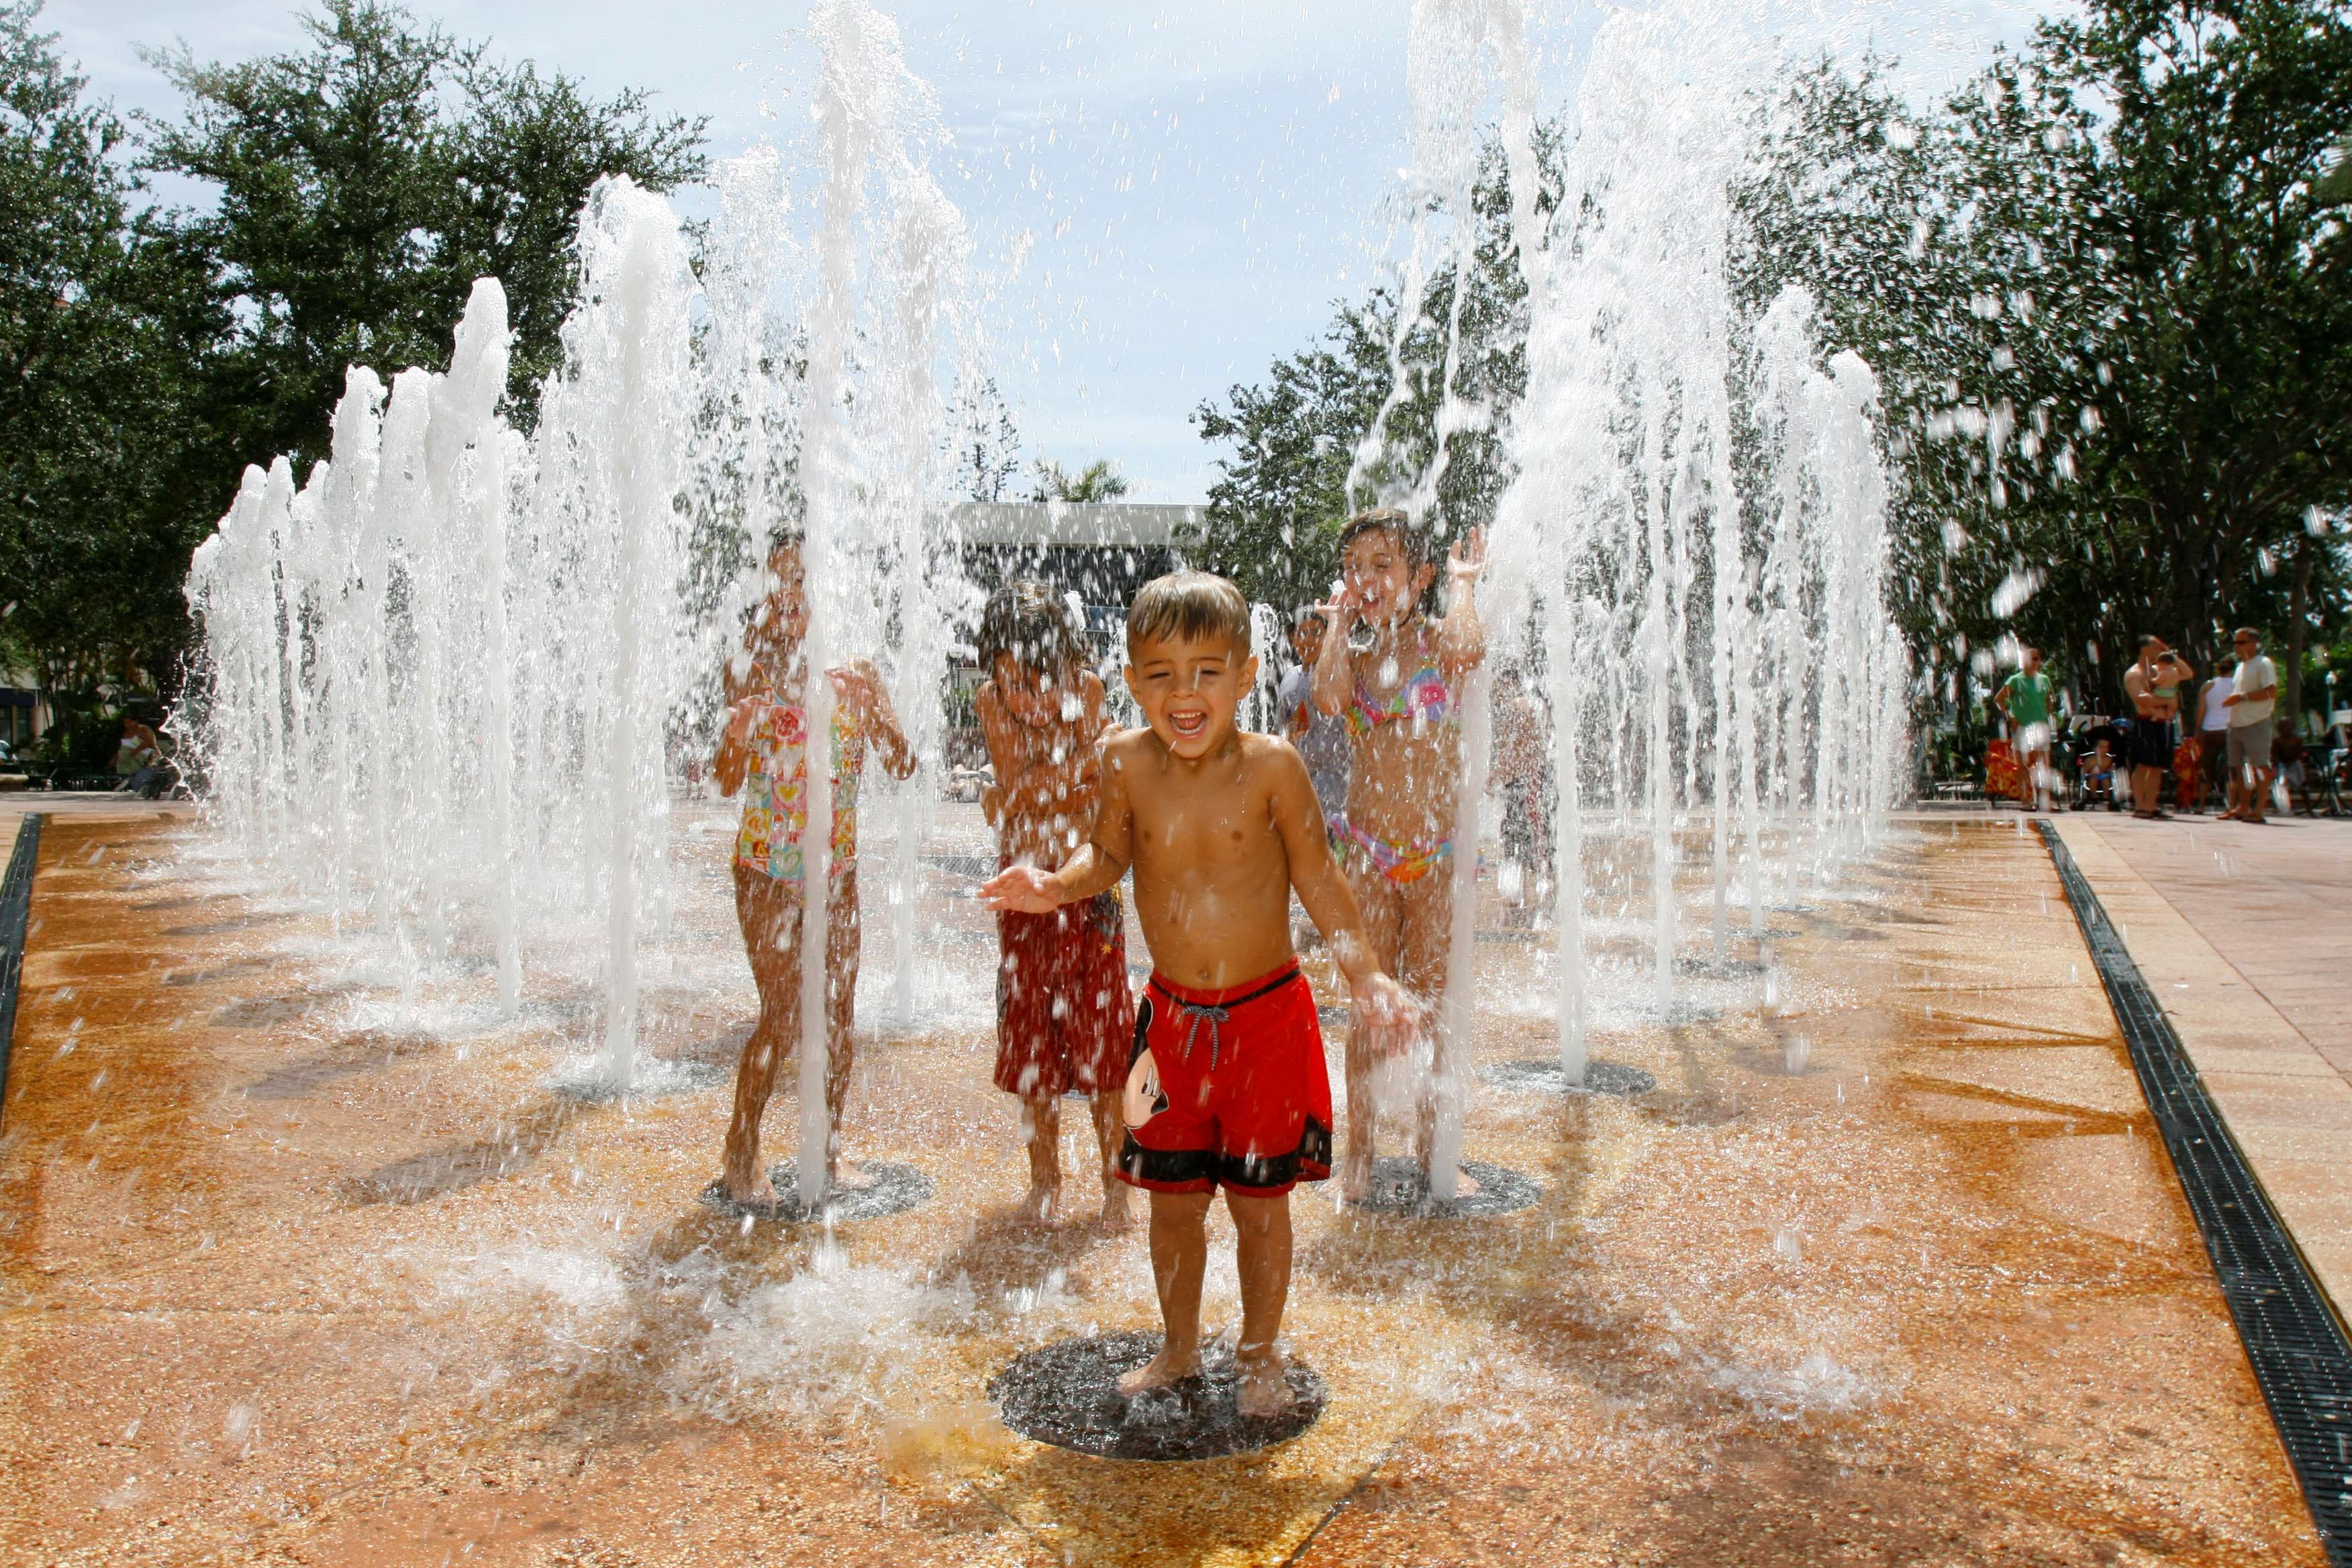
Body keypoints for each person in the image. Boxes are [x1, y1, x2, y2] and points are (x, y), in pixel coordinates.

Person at [981, 570, 1416, 1419]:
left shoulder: (1273, 767)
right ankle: (1178, 1347)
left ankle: (1259, 1354)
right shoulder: (1123, 761)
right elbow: (1108, 856)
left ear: (1246, 674)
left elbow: (1320, 878)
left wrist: (1364, 971)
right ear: (1132, 678)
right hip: (1172, 1022)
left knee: (1260, 1208)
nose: (1184, 693)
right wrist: (1054, 884)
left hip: (1266, 1020)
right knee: (1172, 1205)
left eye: (1206, 671)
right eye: (1161, 673)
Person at [714, 539, 918, 1206]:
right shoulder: (749, 667)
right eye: (780, 580)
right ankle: (742, 1149)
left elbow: (903, 763)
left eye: (803, 578)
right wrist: (738, 734)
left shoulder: (856, 669)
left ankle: (828, 1148)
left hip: (837, 872)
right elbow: (724, 781)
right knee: (781, 1016)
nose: (791, 591)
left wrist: (874, 711)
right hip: (766, 869)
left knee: (836, 1016)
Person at [1310, 508, 1486, 1199]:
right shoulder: (1354, 662)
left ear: (1421, 576)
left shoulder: (1440, 644)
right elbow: (1328, 699)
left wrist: (1464, 584)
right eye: (1355, 567)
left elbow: (1470, 649)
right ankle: (1358, 1154)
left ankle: (1432, 1150)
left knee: (1435, 1004)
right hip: (1368, 856)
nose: (1367, 578)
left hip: (1436, 859)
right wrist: (1336, 625)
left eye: (1383, 564)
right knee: (1368, 1006)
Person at [974, 581, 1134, 1228]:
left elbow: (1031, 796)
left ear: (1068, 664)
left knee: (1105, 1040)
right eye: (1015, 685)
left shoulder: (1088, 689)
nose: (1031, 702)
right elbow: (1018, 785)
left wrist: (1017, 796)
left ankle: (1116, 1185)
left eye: (1045, 684)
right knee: (1031, 1035)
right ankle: (1045, 1180)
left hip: (1088, 887)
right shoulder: (991, 702)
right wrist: (1084, 766)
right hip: (1022, 893)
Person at [1275, 607, 1351, 826]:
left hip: (1338, 781)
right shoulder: (1290, 678)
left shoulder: (1341, 677)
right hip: (1301, 779)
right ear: (1292, 638)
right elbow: (1283, 727)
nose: (1309, 640)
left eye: (1317, 633)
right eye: (1302, 633)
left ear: (1329, 637)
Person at [1490, 663, 1555, 920]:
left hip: (1524, 783)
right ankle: (1542, 891)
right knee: (1536, 836)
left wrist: (1495, 776)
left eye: (1498, 687)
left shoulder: (1516, 708)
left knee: (1516, 836)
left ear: (1510, 684)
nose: (1495, 693)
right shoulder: (1536, 704)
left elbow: (1515, 752)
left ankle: (1516, 895)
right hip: (1538, 780)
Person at [2222, 627, 2279, 824]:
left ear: (2255, 644)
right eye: (2235, 643)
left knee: (2260, 767)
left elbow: (2271, 692)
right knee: (2238, 768)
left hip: (2256, 723)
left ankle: (2259, 810)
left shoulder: (2264, 664)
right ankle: (2242, 807)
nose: (2236, 647)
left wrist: (2241, 698)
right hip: (2236, 724)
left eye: (2241, 642)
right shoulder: (2240, 667)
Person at [2122, 636, 2182, 820]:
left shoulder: (2160, 671)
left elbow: (2187, 673)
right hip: (2146, 722)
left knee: (2157, 767)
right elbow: (2142, 698)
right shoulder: (2135, 673)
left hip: (2164, 723)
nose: (2159, 649)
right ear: (2143, 649)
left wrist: (2170, 654)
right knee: (2143, 765)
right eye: (2155, 646)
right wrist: (2167, 701)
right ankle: (2140, 806)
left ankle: (2151, 805)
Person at [1994, 648, 2057, 812]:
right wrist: (2010, 716)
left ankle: (2045, 800)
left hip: (2040, 726)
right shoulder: (2015, 680)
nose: (2034, 662)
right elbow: (1999, 699)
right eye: (2031, 659)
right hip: (2022, 727)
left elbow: (2050, 698)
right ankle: (2025, 801)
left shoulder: (2044, 679)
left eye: (2037, 659)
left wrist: (2047, 712)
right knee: (2022, 765)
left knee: (2044, 764)